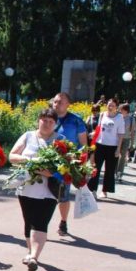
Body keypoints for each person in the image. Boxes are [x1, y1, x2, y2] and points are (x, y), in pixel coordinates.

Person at [7, 108, 62, 271]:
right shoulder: (28, 136)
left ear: (55, 124)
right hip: (27, 187)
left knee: (41, 222)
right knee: (29, 220)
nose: (47, 124)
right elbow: (12, 156)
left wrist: (47, 170)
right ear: (38, 120)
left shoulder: (61, 141)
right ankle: (30, 251)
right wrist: (32, 162)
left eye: (51, 121)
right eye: (44, 120)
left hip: (49, 190)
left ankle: (34, 257)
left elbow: (61, 168)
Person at [52, 92, 87, 236]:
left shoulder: (76, 121)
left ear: (68, 104)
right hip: (48, 162)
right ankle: (41, 224)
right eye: (55, 101)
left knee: (63, 195)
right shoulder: (48, 118)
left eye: (60, 102)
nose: (56, 104)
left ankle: (63, 221)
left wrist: (81, 161)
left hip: (67, 164)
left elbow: (84, 144)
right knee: (44, 195)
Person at [87, 98, 124, 199]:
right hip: (100, 144)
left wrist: (118, 149)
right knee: (96, 168)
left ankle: (104, 191)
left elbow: (121, 134)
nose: (110, 107)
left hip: (113, 146)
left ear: (116, 107)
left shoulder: (119, 117)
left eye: (112, 105)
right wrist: (93, 135)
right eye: (108, 104)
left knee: (109, 170)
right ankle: (92, 189)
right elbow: (99, 128)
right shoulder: (102, 115)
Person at [116, 103, 136, 182]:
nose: (120, 111)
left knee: (123, 156)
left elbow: (133, 131)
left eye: (122, 109)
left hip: (126, 139)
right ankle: (114, 172)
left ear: (126, 110)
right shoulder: (118, 117)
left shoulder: (131, 118)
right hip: (117, 139)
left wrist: (132, 143)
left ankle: (120, 173)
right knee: (116, 156)